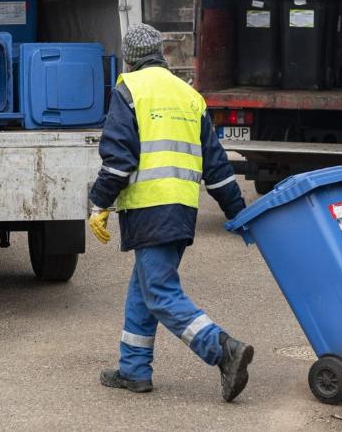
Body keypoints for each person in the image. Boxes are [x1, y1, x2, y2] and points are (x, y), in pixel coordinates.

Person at [88, 24, 253, 402]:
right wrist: (237, 212)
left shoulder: (129, 90)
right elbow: (217, 166)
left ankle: (222, 349)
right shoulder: (189, 95)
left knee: (160, 293)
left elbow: (118, 161)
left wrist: (99, 203)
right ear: (162, 54)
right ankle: (133, 370)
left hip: (149, 209)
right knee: (143, 291)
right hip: (180, 210)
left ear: (129, 58)